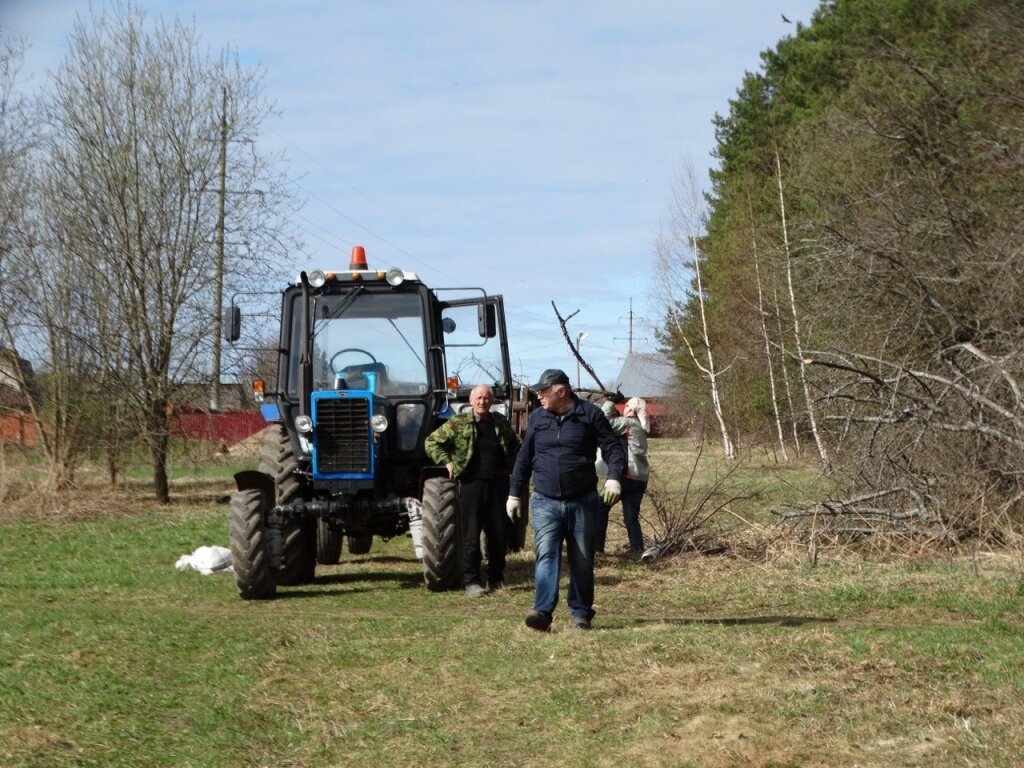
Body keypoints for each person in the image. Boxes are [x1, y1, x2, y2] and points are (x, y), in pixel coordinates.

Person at [506, 369, 626, 631]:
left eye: (544, 390)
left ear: (562, 392)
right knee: (546, 556)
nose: (538, 394)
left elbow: (614, 449)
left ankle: (581, 613)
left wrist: (614, 478)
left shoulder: (590, 415)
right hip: (545, 501)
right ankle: (543, 611)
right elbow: (524, 459)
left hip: (582, 501)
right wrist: (515, 493)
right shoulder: (537, 417)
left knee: (582, 559)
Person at [424, 384, 521, 597]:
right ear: (470, 401)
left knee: (498, 534)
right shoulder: (458, 423)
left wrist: (514, 468)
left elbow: (516, 447)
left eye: (486, 398)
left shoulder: (500, 423)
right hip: (470, 485)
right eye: (478, 398)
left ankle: (496, 577)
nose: (482, 402)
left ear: (492, 401)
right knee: (471, 534)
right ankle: (472, 581)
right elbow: (431, 443)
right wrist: (447, 462)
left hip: (498, 485)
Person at [594, 400, 650, 554]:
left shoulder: (628, 423)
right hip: (640, 478)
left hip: (626, 476)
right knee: (631, 518)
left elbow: (604, 422)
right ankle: (637, 548)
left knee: (600, 507)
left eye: (626, 406)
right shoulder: (639, 426)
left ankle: (597, 548)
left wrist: (610, 403)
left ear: (632, 409)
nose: (623, 408)